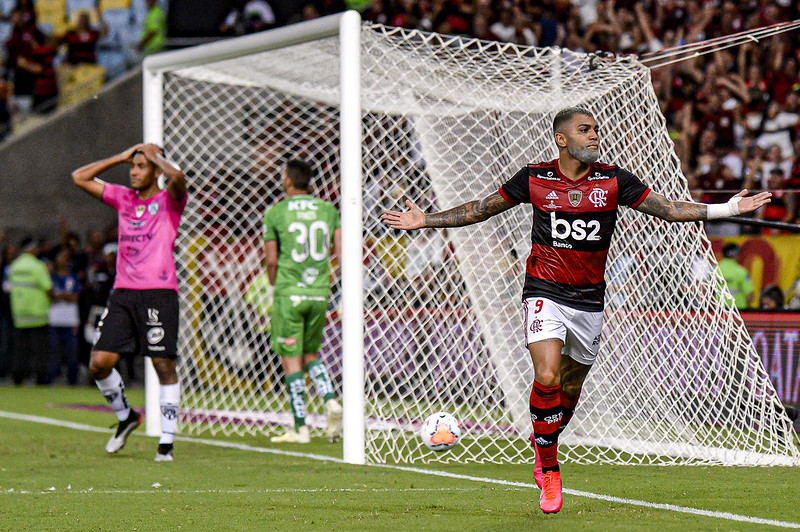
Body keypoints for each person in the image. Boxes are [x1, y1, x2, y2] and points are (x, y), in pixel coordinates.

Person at [382, 106, 772, 514]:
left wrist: (727, 210)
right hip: (543, 290)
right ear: (562, 139)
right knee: (546, 375)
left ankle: (545, 440)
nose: (594, 136)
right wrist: (426, 220)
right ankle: (549, 470)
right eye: (585, 130)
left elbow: (669, 209)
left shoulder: (613, 179)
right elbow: (479, 209)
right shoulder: (534, 177)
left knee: (568, 391)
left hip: (589, 300)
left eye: (596, 130)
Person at [71, 143, 186, 461]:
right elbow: (79, 177)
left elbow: (177, 177)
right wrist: (121, 156)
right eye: (131, 167)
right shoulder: (123, 198)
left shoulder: (169, 202)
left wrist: (157, 158)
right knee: (99, 363)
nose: (134, 172)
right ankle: (126, 416)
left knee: (163, 364)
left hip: (160, 293)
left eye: (140, 166)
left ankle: (166, 442)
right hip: (123, 293)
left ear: (154, 170)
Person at [262, 159, 343, 444]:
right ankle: (331, 400)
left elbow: (272, 260)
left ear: (287, 180)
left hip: (289, 293)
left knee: (291, 359)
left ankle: (300, 428)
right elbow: (341, 254)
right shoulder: (328, 210)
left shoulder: (275, 213)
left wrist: (274, 285)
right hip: (319, 293)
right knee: (311, 354)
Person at [7, 237, 52, 385]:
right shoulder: (38, 266)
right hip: (37, 313)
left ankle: (17, 377)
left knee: (20, 349)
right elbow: (48, 288)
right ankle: (40, 378)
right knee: (40, 350)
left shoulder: (15, 265)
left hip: (20, 313)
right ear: (32, 249)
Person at [47, 248, 81, 385]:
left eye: (65, 257)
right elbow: (49, 294)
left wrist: (59, 295)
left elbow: (75, 297)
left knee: (72, 352)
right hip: (54, 319)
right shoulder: (51, 277)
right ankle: (51, 378)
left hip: (70, 320)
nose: (63, 260)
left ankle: (72, 381)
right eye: (60, 257)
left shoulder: (72, 277)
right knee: (54, 351)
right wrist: (64, 295)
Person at [717, 243, 754, 309]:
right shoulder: (741, 271)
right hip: (738, 310)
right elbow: (749, 296)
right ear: (735, 255)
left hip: (718, 310)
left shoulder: (715, 269)